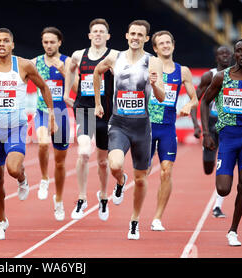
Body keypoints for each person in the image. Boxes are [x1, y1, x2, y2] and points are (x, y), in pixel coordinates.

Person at [0, 28, 56, 240]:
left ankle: (22, 177)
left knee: (12, 168)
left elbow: (44, 88)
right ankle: (1, 221)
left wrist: (52, 113)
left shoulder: (25, 65)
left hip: (16, 127)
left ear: (12, 45)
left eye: (6, 41)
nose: (1, 44)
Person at [94, 19, 165, 240]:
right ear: (126, 36)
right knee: (114, 164)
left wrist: (154, 85)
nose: (135, 37)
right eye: (132, 33)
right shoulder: (115, 57)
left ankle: (134, 221)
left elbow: (161, 97)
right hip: (119, 123)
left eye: (140, 35)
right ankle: (121, 181)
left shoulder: (153, 62)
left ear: (145, 38)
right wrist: (98, 102)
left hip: (142, 126)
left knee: (142, 178)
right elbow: (96, 72)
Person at [200, 38, 242, 246]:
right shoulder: (221, 77)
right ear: (234, 55)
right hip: (227, 138)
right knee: (223, 189)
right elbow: (205, 102)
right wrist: (206, 134)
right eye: (240, 51)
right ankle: (223, 199)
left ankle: (233, 230)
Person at [63, 18, 115, 221]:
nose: (99, 34)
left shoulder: (114, 56)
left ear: (107, 36)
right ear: (90, 35)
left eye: (102, 31)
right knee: (84, 152)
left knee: (103, 162)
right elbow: (71, 67)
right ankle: (82, 198)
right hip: (84, 109)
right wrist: (67, 92)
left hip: (106, 112)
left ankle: (103, 196)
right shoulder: (79, 54)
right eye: (95, 31)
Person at [147, 30, 198, 231]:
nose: (166, 46)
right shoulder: (148, 67)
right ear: (155, 48)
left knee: (166, 172)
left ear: (173, 45)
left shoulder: (182, 71)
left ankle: (157, 218)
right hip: (147, 127)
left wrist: (188, 105)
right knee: (144, 171)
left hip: (167, 128)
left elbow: (194, 98)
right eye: (161, 43)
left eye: (168, 42)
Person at [31, 27, 76, 221]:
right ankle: (43, 179)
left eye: (52, 42)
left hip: (62, 115)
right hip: (42, 112)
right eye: (45, 42)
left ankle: (58, 201)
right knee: (42, 143)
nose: (48, 45)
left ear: (59, 43)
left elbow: (78, 88)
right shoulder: (34, 63)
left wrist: (64, 72)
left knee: (59, 163)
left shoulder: (67, 62)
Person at [191, 45, 233, 218]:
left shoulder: (238, 75)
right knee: (209, 168)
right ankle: (207, 152)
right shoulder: (210, 75)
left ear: (232, 56)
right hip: (212, 124)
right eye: (221, 53)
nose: (224, 56)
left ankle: (217, 206)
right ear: (216, 57)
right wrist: (196, 125)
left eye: (227, 53)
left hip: (229, 126)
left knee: (225, 166)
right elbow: (195, 101)